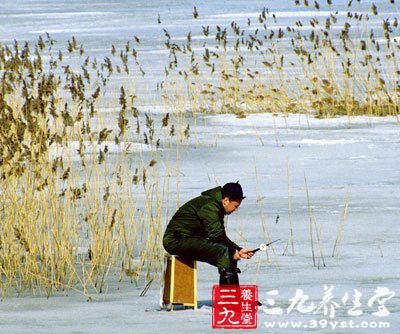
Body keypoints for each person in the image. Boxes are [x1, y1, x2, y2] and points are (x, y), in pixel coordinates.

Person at [162, 182, 254, 285]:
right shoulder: (210, 206)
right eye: (235, 206)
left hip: (187, 239)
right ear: (226, 200)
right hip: (176, 240)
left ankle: (233, 295)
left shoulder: (215, 206)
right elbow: (216, 236)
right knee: (224, 252)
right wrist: (233, 251)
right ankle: (230, 297)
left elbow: (219, 236)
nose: (236, 210)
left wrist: (238, 250)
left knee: (227, 252)